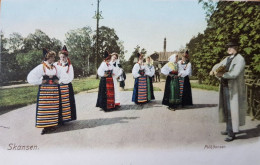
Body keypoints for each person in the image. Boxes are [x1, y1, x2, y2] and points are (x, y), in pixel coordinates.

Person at [210, 40, 247, 142]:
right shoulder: (227, 58)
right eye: (228, 47)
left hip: (233, 88)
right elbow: (218, 65)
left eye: (230, 47)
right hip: (224, 86)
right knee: (226, 109)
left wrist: (222, 75)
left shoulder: (240, 59)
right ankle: (228, 129)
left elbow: (234, 74)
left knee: (232, 110)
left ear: (236, 48)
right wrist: (213, 70)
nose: (228, 49)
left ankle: (231, 133)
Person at [27, 49, 70, 135]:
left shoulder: (56, 67)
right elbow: (30, 77)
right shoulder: (41, 67)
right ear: (46, 58)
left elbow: (65, 76)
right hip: (44, 91)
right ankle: (45, 126)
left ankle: (52, 125)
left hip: (54, 90)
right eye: (51, 57)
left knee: (53, 108)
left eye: (53, 57)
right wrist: (40, 81)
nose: (53, 59)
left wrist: (59, 81)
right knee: (45, 108)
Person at [54, 45, 77, 124]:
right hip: (57, 86)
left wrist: (62, 81)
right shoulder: (56, 64)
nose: (62, 59)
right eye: (61, 57)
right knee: (58, 102)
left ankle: (65, 119)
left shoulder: (69, 66)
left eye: (64, 57)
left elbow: (71, 77)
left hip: (66, 85)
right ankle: (57, 119)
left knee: (66, 103)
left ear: (66, 57)